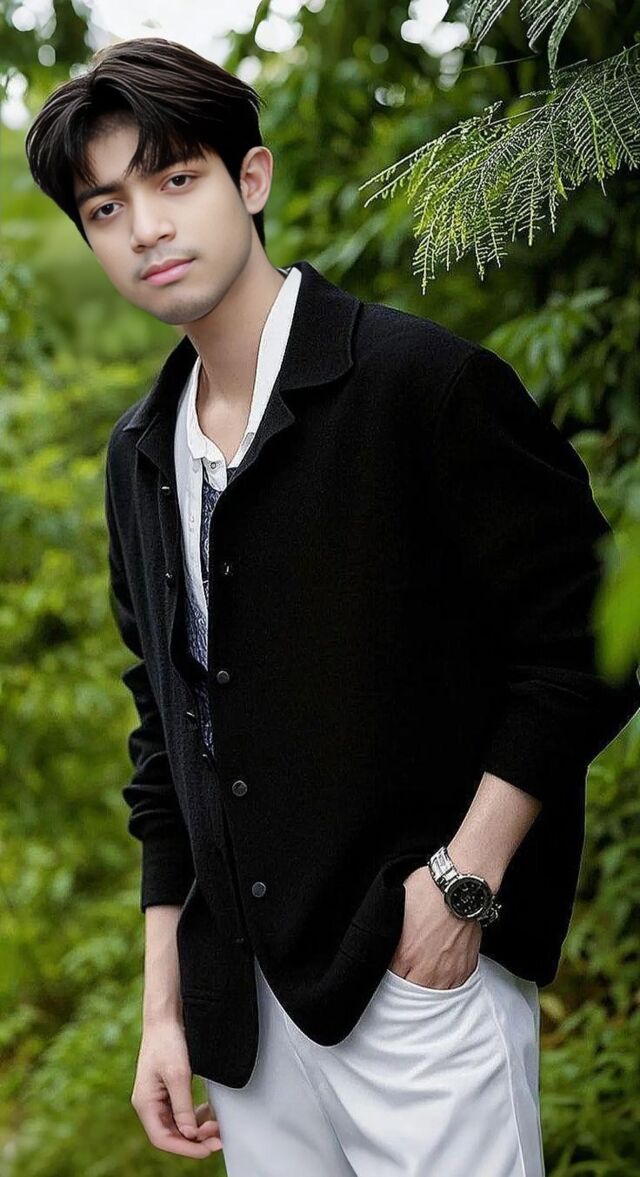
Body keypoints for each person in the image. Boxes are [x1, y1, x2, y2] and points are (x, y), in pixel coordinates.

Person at [25, 36, 640, 1176]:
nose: (146, 227)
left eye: (175, 179)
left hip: (415, 979)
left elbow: (591, 640)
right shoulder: (139, 453)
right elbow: (166, 737)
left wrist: (460, 889)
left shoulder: (419, 385)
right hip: (243, 1017)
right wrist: (166, 1006)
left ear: (250, 179)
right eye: (105, 207)